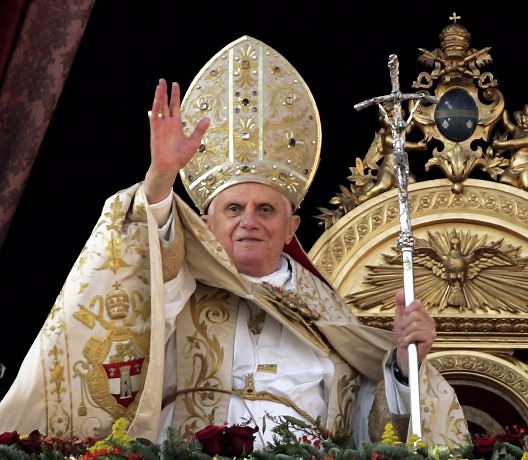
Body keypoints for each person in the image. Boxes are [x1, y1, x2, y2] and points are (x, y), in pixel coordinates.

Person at [0, 35, 468, 450]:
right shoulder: (178, 292)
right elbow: (142, 264)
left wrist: (404, 366)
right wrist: (161, 177)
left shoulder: (326, 313)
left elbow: (371, 428)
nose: (249, 222)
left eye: (265, 210)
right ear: (205, 223)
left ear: (291, 227)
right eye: (233, 209)